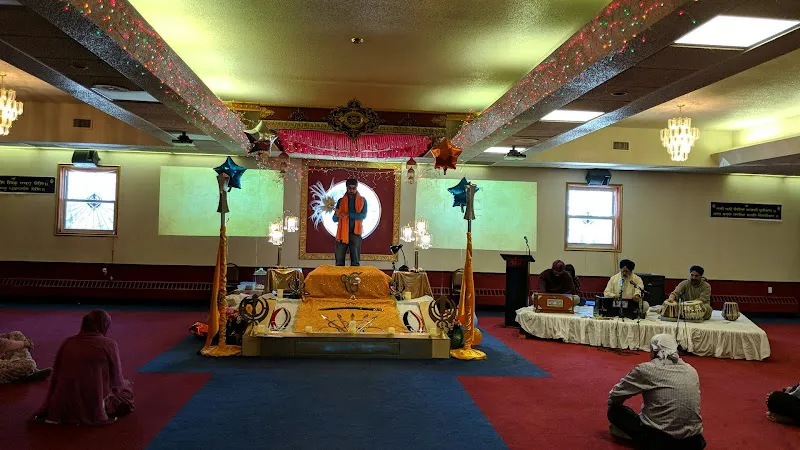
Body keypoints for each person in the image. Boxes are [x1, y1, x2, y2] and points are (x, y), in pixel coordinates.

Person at [33, 310, 134, 425]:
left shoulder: (68, 342)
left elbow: (56, 375)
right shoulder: (109, 344)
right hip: (94, 404)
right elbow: (117, 380)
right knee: (127, 392)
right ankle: (102, 407)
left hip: (63, 404)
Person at [607, 334, 706, 449]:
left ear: (653, 351)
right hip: (694, 441)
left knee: (614, 411)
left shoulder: (646, 369)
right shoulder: (691, 370)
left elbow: (615, 395)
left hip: (661, 440)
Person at [332, 178, 368, 266]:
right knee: (339, 261)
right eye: (349, 188)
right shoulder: (340, 201)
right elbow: (334, 219)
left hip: (355, 234)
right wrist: (337, 214)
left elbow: (363, 216)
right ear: (346, 188)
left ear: (356, 188)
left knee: (355, 262)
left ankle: (354, 280)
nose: (351, 190)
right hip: (342, 233)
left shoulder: (362, 200)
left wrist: (348, 215)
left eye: (353, 188)